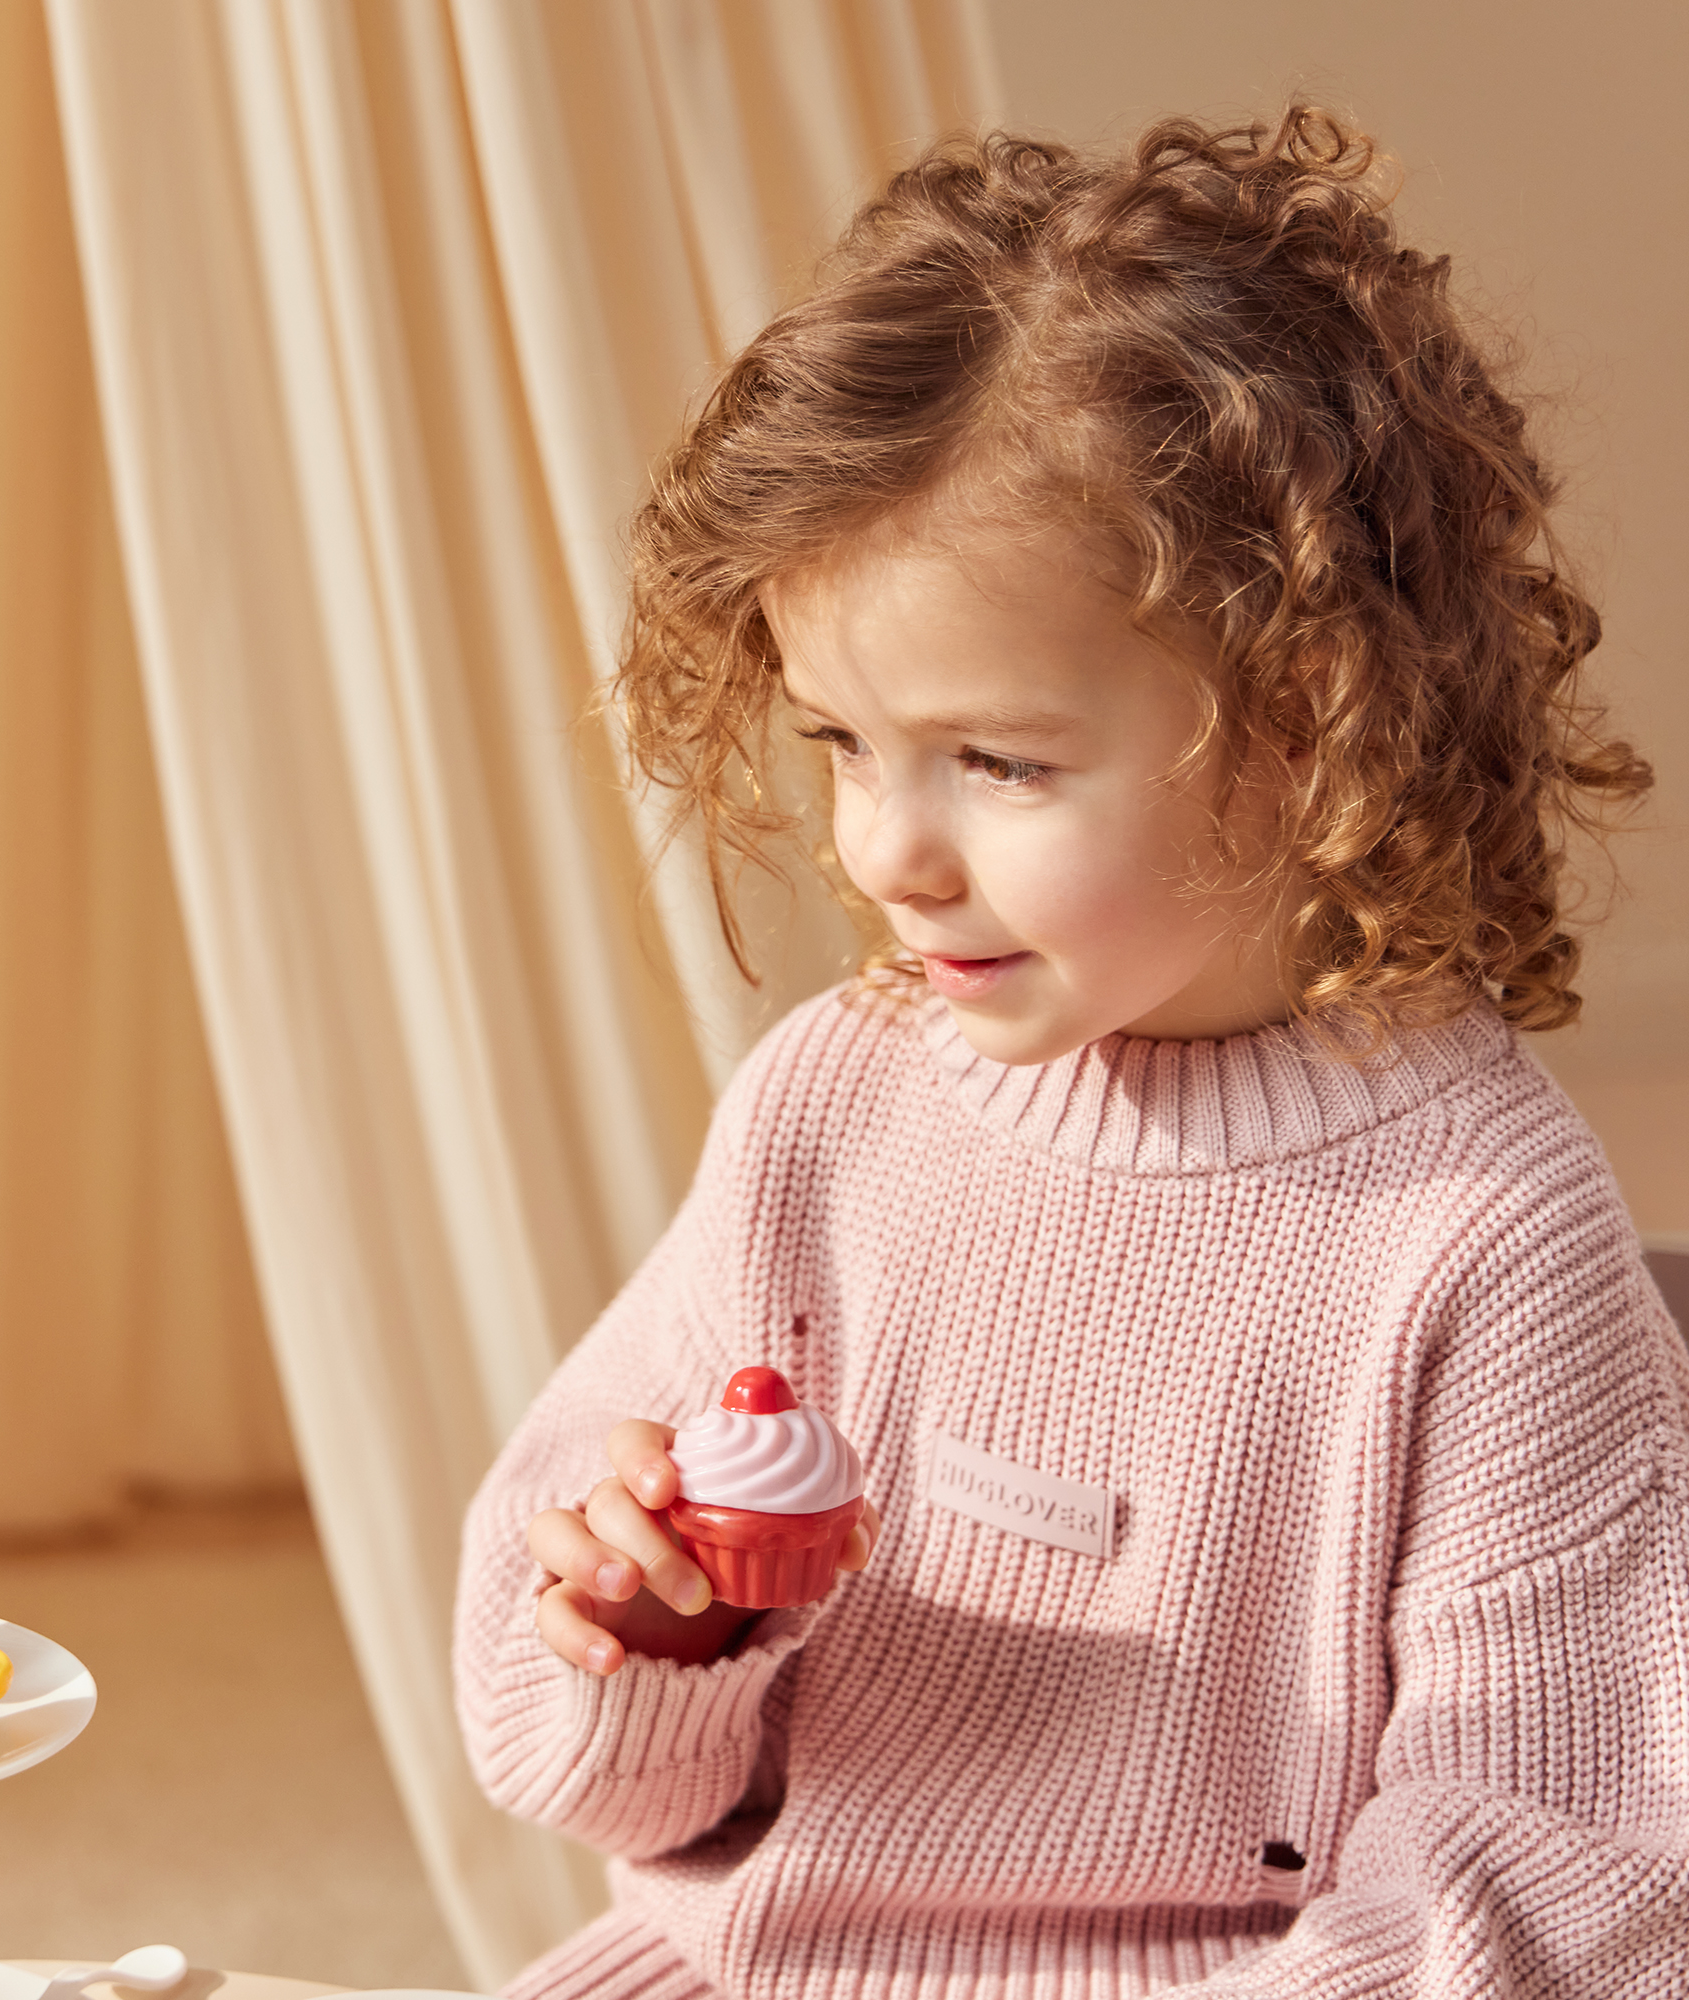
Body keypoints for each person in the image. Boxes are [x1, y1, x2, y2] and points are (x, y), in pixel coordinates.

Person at [452, 108, 1688, 1998]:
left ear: (1314, 719)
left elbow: (1561, 1867)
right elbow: (610, 1790)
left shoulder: (1482, 1236)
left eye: (1000, 761)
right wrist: (654, 1628)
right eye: (843, 744)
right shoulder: (836, 1106)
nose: (885, 850)